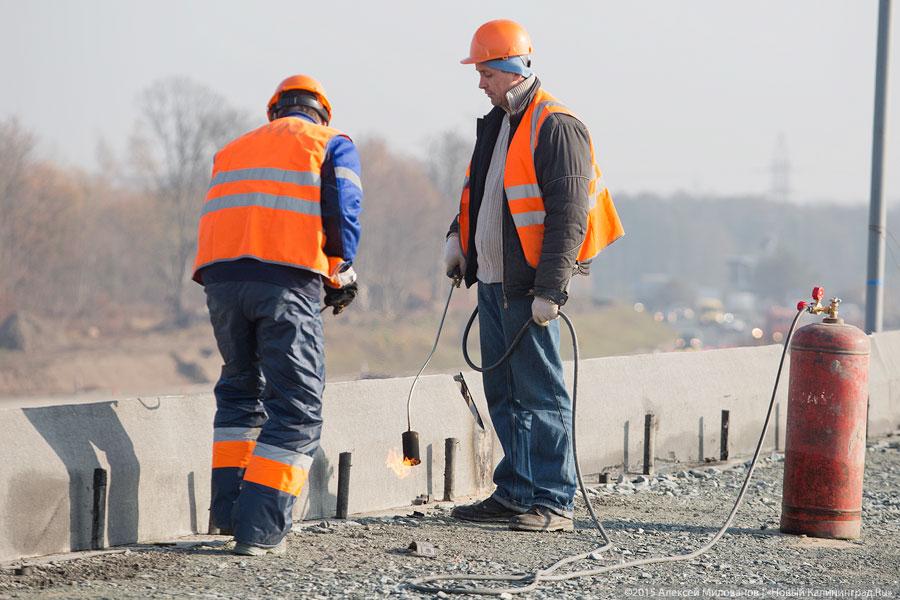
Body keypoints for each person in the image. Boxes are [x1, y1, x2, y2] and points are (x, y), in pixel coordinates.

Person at [444, 20, 623, 531]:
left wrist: (551, 290)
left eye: (484, 73)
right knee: (503, 389)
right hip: (497, 283)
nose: (480, 83)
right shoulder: (497, 125)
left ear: (507, 68)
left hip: (531, 289)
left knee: (541, 392)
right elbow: (480, 196)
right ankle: (517, 490)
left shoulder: (556, 126)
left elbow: (569, 216)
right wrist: (458, 240)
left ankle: (554, 500)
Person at [191, 74, 363, 555]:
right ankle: (260, 530)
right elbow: (343, 214)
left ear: (275, 111)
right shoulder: (331, 143)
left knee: (240, 392)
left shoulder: (233, 148)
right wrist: (340, 271)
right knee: (298, 408)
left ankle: (228, 515)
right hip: (285, 283)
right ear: (321, 112)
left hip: (221, 283)